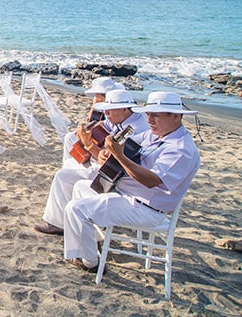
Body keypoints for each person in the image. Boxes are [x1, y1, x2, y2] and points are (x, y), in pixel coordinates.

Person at [62, 91, 200, 272]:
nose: (149, 120)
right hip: (127, 194)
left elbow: (151, 181)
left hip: (146, 208)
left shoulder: (181, 149)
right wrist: (106, 151)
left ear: (176, 116)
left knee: (75, 209)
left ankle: (90, 263)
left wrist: (119, 156)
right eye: (148, 114)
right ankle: (90, 242)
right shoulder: (155, 134)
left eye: (155, 116)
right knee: (81, 187)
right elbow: (128, 143)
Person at [34, 89, 149, 235]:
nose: (106, 114)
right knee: (70, 147)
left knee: (63, 176)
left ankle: (59, 223)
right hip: (111, 169)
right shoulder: (122, 118)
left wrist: (89, 145)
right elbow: (104, 126)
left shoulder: (136, 131)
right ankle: (63, 218)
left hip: (118, 178)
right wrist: (91, 127)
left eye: (109, 111)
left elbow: (112, 162)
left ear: (124, 109)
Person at [60, 77, 117, 167]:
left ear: (100, 94)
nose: (94, 96)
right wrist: (93, 107)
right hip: (102, 132)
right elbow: (92, 119)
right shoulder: (101, 102)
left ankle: (79, 167)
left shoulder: (115, 101)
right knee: (69, 137)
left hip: (109, 138)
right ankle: (68, 165)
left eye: (96, 94)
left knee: (74, 140)